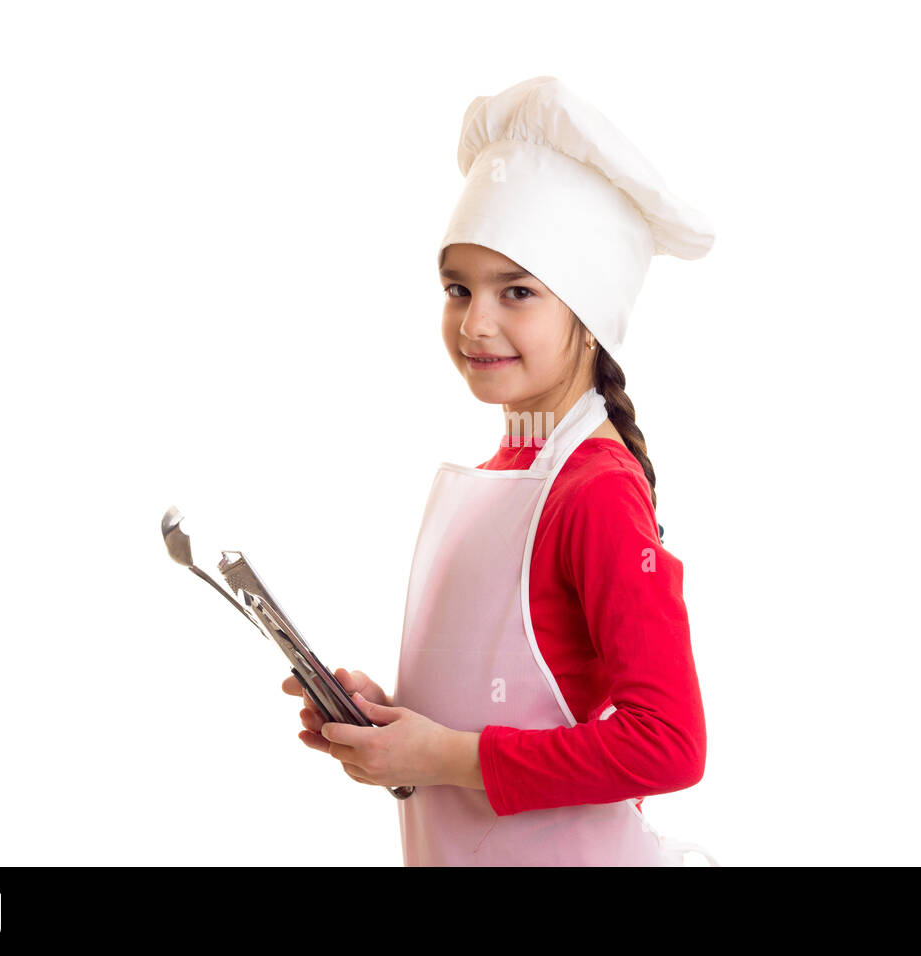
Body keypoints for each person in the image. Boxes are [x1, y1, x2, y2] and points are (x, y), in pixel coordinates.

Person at [282, 76, 719, 866]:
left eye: (517, 291)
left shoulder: (596, 492)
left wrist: (442, 757)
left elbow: (672, 745)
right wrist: (394, 729)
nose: (476, 322)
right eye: (458, 289)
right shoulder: (501, 470)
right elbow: (499, 705)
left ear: (588, 315)